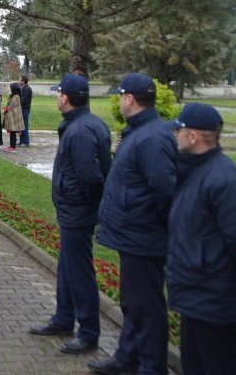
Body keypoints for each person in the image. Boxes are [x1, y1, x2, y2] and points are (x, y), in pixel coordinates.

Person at [94, 73, 177, 369]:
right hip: (133, 234)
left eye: (120, 96)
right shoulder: (139, 132)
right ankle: (127, 356)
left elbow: (164, 190)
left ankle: (151, 365)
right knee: (133, 301)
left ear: (129, 98)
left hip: (144, 235)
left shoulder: (152, 137)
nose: (119, 100)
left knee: (147, 305)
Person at [28, 74, 111, 358]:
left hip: (78, 210)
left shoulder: (81, 131)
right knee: (66, 266)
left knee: (79, 271)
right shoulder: (85, 124)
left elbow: (91, 176)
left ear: (65, 97)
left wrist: (82, 203)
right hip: (73, 209)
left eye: (58, 93)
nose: (56, 97)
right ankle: (63, 318)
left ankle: (88, 332)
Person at [165, 103, 236, 375]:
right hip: (194, 297)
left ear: (193, 136)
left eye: (179, 130)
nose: (175, 135)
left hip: (214, 302)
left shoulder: (223, 180)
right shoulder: (193, 172)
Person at [2, 83, 25, 152]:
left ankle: (13, 147)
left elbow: (11, 106)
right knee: (12, 132)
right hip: (12, 117)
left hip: (14, 118)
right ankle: (12, 145)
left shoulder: (16, 96)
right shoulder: (14, 96)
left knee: (13, 132)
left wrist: (5, 110)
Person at [19, 76, 33, 146]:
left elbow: (24, 100)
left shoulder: (27, 89)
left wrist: (18, 102)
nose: (19, 81)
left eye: (20, 80)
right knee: (21, 125)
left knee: (25, 125)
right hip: (22, 109)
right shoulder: (23, 88)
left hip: (25, 109)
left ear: (23, 81)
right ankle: (21, 141)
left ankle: (26, 141)